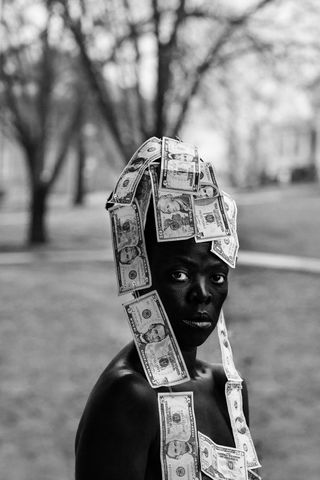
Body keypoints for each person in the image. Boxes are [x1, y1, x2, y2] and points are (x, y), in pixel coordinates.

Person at [75, 141, 250, 480]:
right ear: (140, 275)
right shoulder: (129, 397)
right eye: (179, 275)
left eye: (216, 276)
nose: (202, 294)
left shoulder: (227, 388)